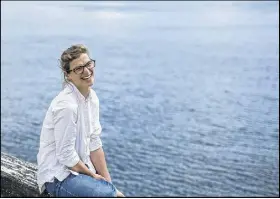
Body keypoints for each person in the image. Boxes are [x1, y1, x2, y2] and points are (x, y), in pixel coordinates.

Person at [37, 44, 125, 197]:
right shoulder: (67, 106)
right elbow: (66, 156)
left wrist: (110, 184)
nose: (86, 71)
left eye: (88, 64)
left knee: (114, 194)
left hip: (79, 171)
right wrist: (93, 176)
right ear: (68, 74)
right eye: (78, 68)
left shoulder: (92, 99)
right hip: (58, 177)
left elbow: (95, 144)